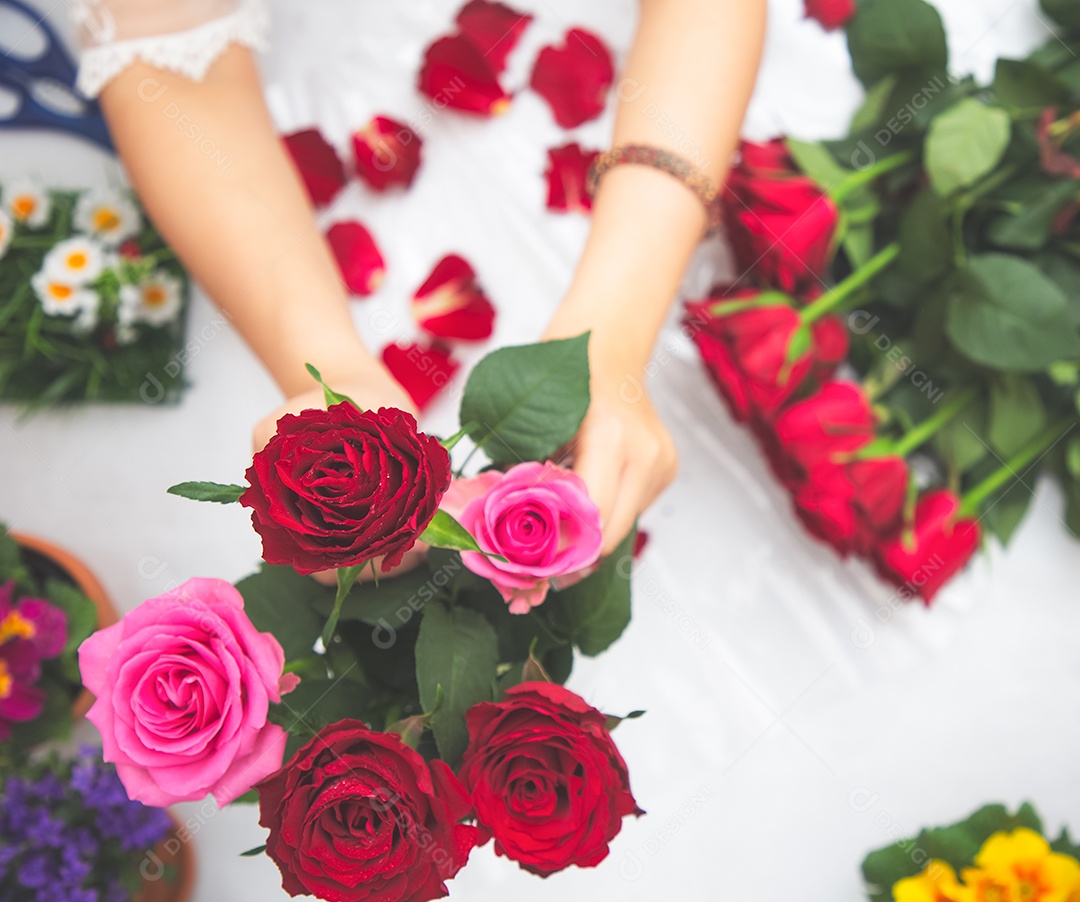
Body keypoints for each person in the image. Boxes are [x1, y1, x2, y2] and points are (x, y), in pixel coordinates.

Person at [73, 0, 766, 571]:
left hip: (659, 122)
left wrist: (612, 337)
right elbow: (167, 55)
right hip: (269, 223)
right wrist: (331, 372)